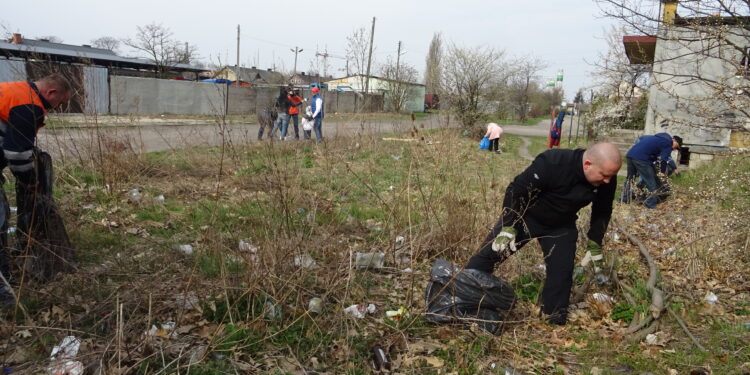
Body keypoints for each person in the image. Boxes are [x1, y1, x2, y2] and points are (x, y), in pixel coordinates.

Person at [465, 142, 622, 325]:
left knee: (561, 272)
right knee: (490, 254)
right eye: (604, 175)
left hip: (561, 225)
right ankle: (461, 293)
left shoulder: (606, 179)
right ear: (587, 164)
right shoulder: (553, 162)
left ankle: (553, 318)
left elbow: (602, 210)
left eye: (611, 176)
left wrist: (595, 242)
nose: (607, 181)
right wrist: (509, 225)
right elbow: (516, 190)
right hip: (526, 217)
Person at [0, 73, 73, 300]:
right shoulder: (29, 106)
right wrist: (31, 180)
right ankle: (3, 289)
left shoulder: (16, 90)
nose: (57, 108)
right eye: (59, 103)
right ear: (51, 93)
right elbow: (18, 154)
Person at [622, 133, 682, 209]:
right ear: (675, 141)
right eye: (676, 147)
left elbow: (653, 154)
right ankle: (650, 205)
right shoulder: (668, 143)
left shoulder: (657, 138)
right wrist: (662, 173)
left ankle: (624, 200)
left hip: (630, 155)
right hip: (642, 159)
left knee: (630, 179)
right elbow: (664, 160)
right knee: (651, 182)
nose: (674, 149)